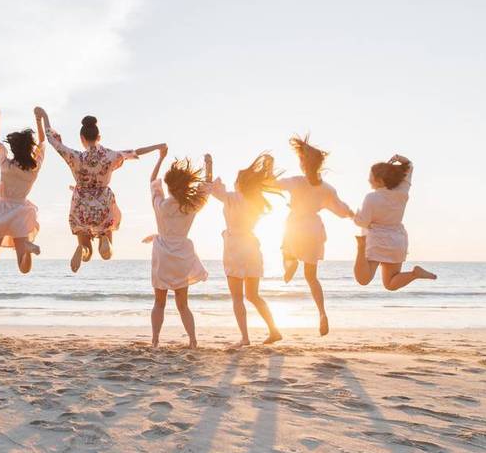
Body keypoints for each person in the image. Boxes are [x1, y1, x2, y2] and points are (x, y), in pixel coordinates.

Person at [34, 107, 164, 272]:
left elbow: (53, 141)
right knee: (107, 254)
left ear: (82, 138)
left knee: (86, 251)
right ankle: (105, 241)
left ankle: (83, 250)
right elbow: (135, 152)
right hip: (103, 203)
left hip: (81, 204)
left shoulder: (75, 157)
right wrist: (159, 147)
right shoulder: (110, 156)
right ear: (99, 137)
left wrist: (44, 115)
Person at [277, 134, 353, 336]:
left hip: (295, 227)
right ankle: (321, 313)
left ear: (303, 163)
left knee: (287, 253)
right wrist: (352, 213)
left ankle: (290, 262)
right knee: (311, 277)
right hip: (314, 229)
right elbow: (341, 210)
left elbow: (272, 184)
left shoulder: (295, 181)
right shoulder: (327, 189)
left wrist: (264, 172)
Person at [209, 152, 283, 345]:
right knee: (253, 295)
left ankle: (245, 338)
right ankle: (274, 330)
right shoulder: (256, 202)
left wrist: (209, 165)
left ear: (240, 183)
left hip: (234, 248)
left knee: (237, 297)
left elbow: (209, 187)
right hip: (251, 246)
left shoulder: (232, 197)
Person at [146, 145, 209, 348]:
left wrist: (160, 158)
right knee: (183, 304)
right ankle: (192, 340)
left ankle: (155, 340)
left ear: (170, 187)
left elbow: (152, 182)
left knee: (159, 302)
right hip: (182, 255)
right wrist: (209, 166)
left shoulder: (161, 206)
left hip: (163, 253)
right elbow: (206, 188)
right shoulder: (191, 206)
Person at [352, 154, 437, 289]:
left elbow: (362, 222)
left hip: (377, 239)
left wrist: (354, 216)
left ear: (379, 180)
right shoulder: (402, 191)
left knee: (364, 279)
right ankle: (414, 274)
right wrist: (400, 158)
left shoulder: (371, 197)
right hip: (397, 241)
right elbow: (409, 166)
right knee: (390, 284)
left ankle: (360, 247)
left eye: (371, 176)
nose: (368, 179)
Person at [0, 108, 45, 273]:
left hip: (1, 209)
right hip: (22, 211)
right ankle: (26, 249)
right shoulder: (34, 168)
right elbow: (42, 143)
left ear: (13, 148)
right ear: (29, 148)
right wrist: (39, 120)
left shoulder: (6, 165)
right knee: (24, 268)